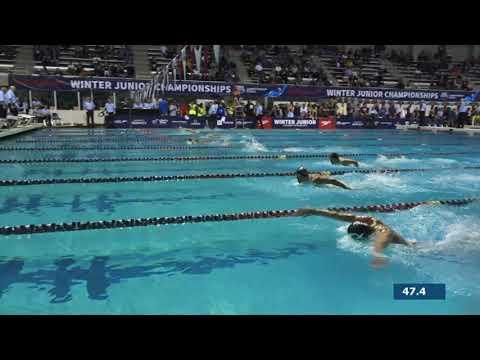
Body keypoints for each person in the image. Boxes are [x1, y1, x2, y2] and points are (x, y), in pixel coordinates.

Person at [294, 203, 441, 267]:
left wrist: (377, 252)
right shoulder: (369, 220)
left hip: (419, 251)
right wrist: (315, 211)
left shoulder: (380, 231)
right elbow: (339, 215)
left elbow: (386, 235)